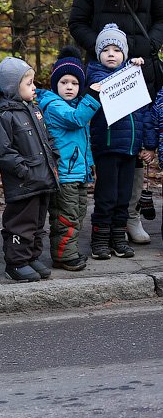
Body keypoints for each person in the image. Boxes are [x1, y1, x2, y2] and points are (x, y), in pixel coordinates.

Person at [69, 0, 163, 245]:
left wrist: (145, 46)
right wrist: (103, 46)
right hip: (103, 72)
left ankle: (131, 215)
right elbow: (77, 21)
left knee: (136, 140)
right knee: (110, 140)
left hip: (141, 69)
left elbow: (161, 18)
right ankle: (105, 219)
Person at [84, 24, 156, 260]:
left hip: (130, 148)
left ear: (124, 53)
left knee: (124, 197)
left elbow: (144, 112)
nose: (111, 54)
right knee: (106, 196)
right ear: (98, 54)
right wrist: (129, 70)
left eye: (117, 49)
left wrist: (147, 143)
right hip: (107, 147)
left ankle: (118, 238)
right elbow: (104, 88)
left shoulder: (132, 78)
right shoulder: (94, 76)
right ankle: (100, 240)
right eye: (106, 50)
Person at [0, 57, 59, 282]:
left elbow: (46, 138)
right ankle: (16, 262)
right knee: (21, 223)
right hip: (24, 182)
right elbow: (3, 151)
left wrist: (53, 158)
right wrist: (23, 170)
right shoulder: (5, 115)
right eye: (29, 83)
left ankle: (31, 256)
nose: (34, 87)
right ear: (13, 87)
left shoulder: (34, 110)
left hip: (42, 178)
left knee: (38, 223)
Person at [35, 48, 101, 272]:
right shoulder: (54, 106)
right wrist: (92, 97)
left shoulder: (76, 104)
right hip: (64, 174)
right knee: (66, 216)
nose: (70, 87)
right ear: (56, 85)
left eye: (74, 83)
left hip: (78, 172)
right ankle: (63, 255)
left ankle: (68, 250)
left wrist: (89, 164)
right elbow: (76, 120)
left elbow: (83, 140)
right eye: (64, 82)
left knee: (78, 213)